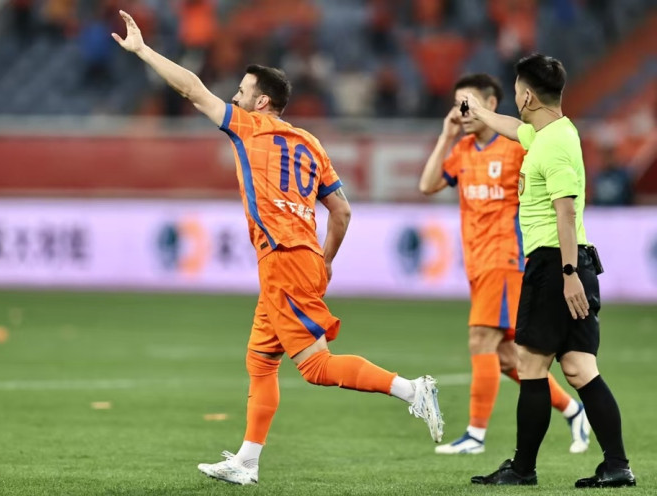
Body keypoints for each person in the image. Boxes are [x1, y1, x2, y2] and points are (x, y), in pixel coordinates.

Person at [112, 10, 444, 486]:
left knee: (316, 366)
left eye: (242, 91)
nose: (235, 97)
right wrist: (325, 261)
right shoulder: (311, 144)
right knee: (260, 361)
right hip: (298, 256)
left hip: (284, 257)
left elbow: (192, 90)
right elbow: (343, 212)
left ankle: (413, 391)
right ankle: (247, 461)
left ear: (261, 101)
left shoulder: (248, 126)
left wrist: (144, 51)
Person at [465, 54, 635, 487]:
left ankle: (522, 469)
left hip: (555, 263)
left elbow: (565, 211)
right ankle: (617, 466)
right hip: (573, 261)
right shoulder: (551, 133)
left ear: (526, 96)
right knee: (578, 367)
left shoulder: (553, 143)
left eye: (515, 92)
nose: (514, 100)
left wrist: (567, 272)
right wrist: (479, 110)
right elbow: (512, 127)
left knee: (531, 365)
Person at [419, 73, 590, 455]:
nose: (461, 112)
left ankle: (475, 435)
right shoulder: (463, 150)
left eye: (467, 103)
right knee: (508, 357)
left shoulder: (515, 148)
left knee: (480, 338)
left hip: (507, 256)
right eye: (456, 105)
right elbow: (427, 185)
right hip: (476, 262)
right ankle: (572, 410)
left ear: (491, 104)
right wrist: (446, 136)